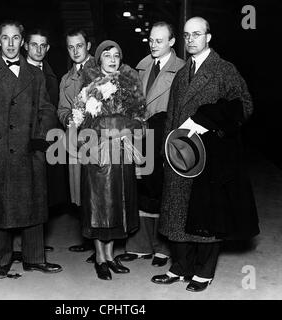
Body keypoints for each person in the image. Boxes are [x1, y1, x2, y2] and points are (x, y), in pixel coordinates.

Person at [152, 16, 259, 291]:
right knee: (177, 214)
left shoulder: (224, 70)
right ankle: (180, 266)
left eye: (196, 34)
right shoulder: (182, 73)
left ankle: (204, 271)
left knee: (207, 215)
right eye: (187, 35)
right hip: (179, 154)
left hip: (210, 157)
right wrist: (166, 148)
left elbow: (245, 105)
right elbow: (172, 116)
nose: (190, 40)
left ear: (208, 37)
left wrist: (206, 120)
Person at [0, 20, 62, 279]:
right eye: (5, 38)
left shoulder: (36, 74)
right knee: (1, 208)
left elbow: (47, 109)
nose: (10, 44)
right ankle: (4, 261)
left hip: (30, 149)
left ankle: (34, 258)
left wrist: (40, 139)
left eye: (15, 38)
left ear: (22, 41)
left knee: (35, 205)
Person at [116, 21, 185, 267]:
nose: (153, 45)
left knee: (163, 190)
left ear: (172, 42)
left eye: (159, 40)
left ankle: (163, 248)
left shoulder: (182, 70)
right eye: (151, 40)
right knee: (140, 188)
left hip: (164, 137)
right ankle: (140, 246)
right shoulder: (141, 66)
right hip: (139, 136)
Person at [76, 40, 146, 280]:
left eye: (117, 55)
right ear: (99, 59)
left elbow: (140, 118)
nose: (113, 59)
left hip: (122, 153)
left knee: (117, 204)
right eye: (107, 55)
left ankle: (109, 255)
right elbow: (81, 123)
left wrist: (128, 128)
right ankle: (99, 257)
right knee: (99, 205)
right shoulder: (87, 86)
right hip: (97, 152)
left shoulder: (130, 84)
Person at [11, 28, 69, 262]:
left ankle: (32, 245)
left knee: (40, 193)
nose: (38, 49)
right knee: (19, 194)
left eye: (43, 45)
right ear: (26, 46)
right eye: (34, 45)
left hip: (46, 140)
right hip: (22, 142)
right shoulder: (16, 71)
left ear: (47, 48)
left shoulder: (49, 72)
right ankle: (18, 246)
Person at [58, 28, 97, 258]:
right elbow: (61, 108)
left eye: (79, 46)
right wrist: (67, 117)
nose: (75, 51)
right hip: (75, 139)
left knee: (99, 189)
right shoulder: (66, 79)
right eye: (71, 47)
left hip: (97, 139)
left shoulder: (102, 70)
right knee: (81, 191)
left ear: (88, 46)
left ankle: (100, 242)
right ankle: (88, 238)